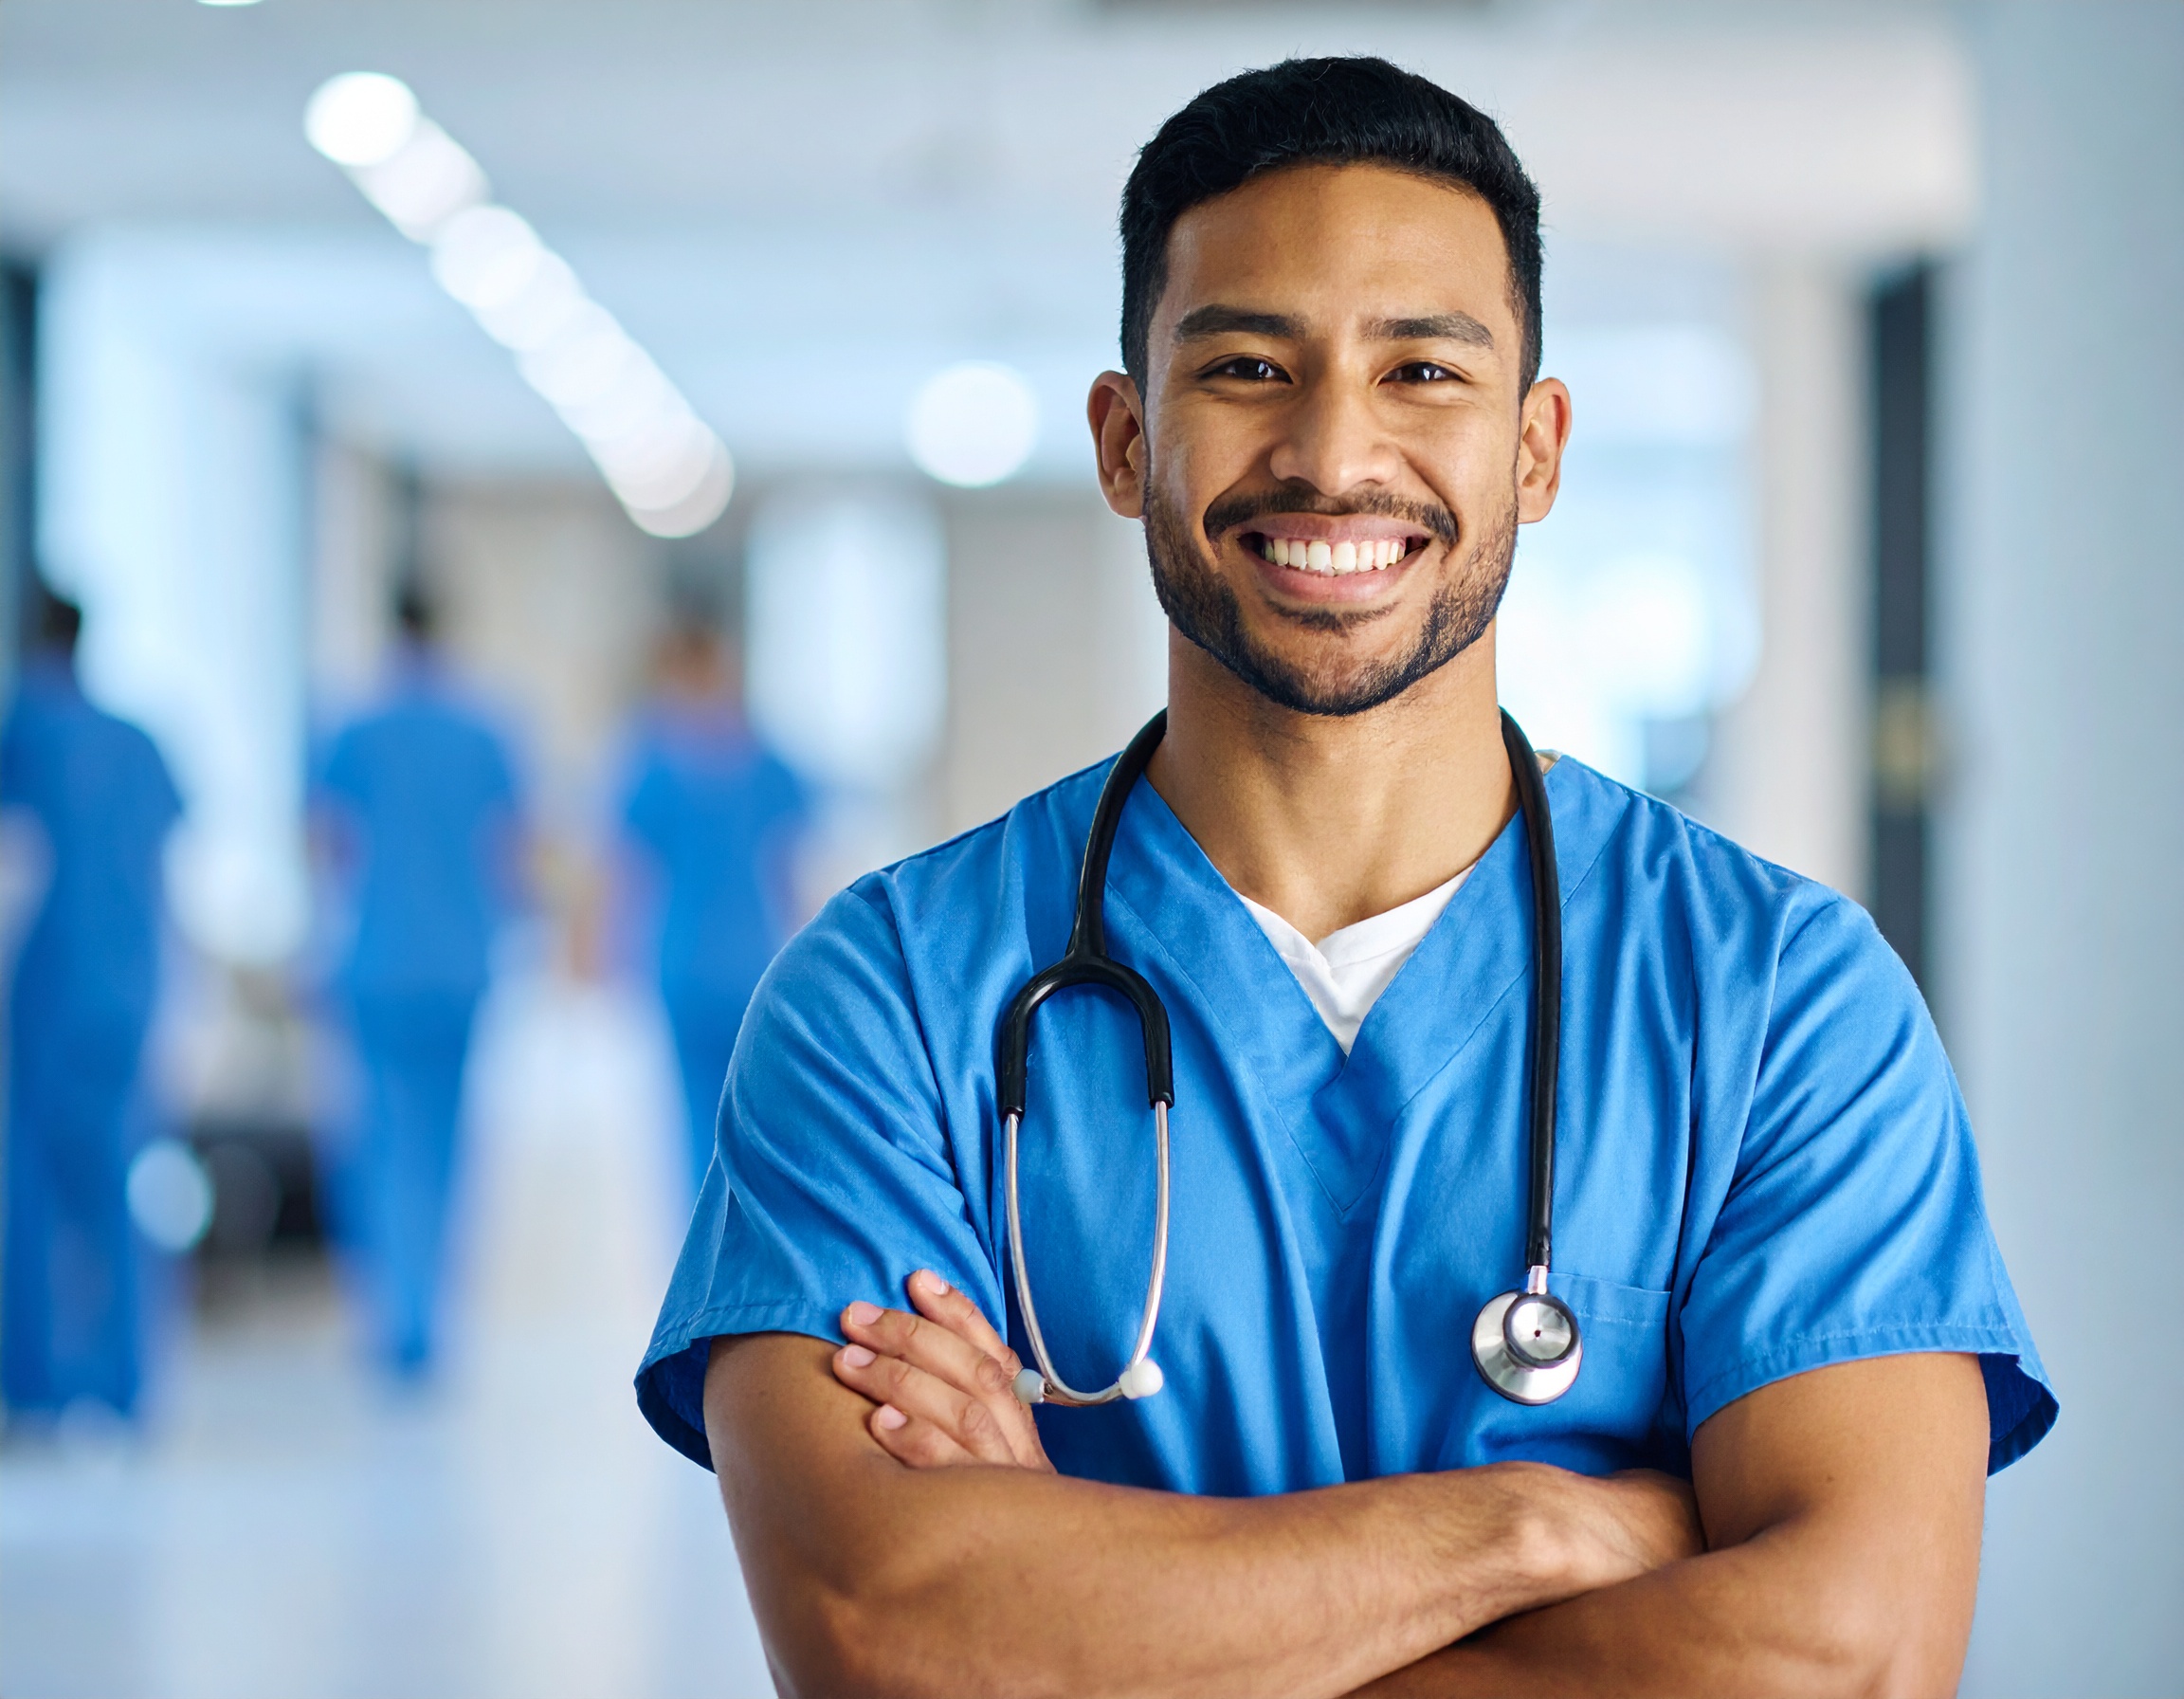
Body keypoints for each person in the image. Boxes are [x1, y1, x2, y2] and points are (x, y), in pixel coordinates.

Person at [635, 59, 2055, 1695]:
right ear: (1124, 438)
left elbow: (1844, 1655)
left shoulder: (1777, 999)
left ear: (1532, 449)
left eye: (1421, 369)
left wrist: (1095, 1615)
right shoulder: (886, 997)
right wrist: (1528, 1526)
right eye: (1246, 364)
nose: (1329, 453)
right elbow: (890, 1635)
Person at [316, 585, 518, 1379]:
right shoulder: (485, 733)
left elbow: (329, 844)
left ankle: (395, 1316)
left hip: (377, 959)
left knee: (379, 1139)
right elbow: (510, 848)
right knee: (447, 1141)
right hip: (459, 962)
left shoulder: (352, 730)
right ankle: (431, 1316)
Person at [1, 593, 181, 1422]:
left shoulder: (24, 733)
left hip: (47, 992)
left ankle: (38, 1383)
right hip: (126, 988)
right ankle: (122, 1381)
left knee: (34, 1186)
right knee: (115, 1179)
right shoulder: (136, 743)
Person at [614, 606, 806, 1200]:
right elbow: (792, 875)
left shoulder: (655, 762)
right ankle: (735, 1241)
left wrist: (607, 956)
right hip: (750, 964)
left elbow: (628, 874)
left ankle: (704, 1246)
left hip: (687, 962)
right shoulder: (762, 762)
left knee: (698, 1123)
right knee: (752, 1114)